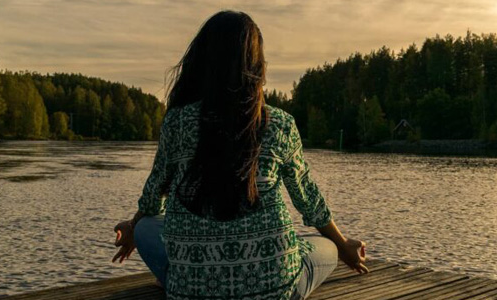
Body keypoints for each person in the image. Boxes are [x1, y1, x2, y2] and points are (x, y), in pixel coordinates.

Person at [111, 10, 368, 300]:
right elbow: (308, 200)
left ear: (202, 61)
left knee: (147, 227)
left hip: (192, 291)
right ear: (257, 65)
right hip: (274, 290)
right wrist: (343, 243)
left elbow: (154, 194)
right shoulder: (279, 123)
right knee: (327, 247)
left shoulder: (177, 122)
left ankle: (178, 278)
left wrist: (133, 227)